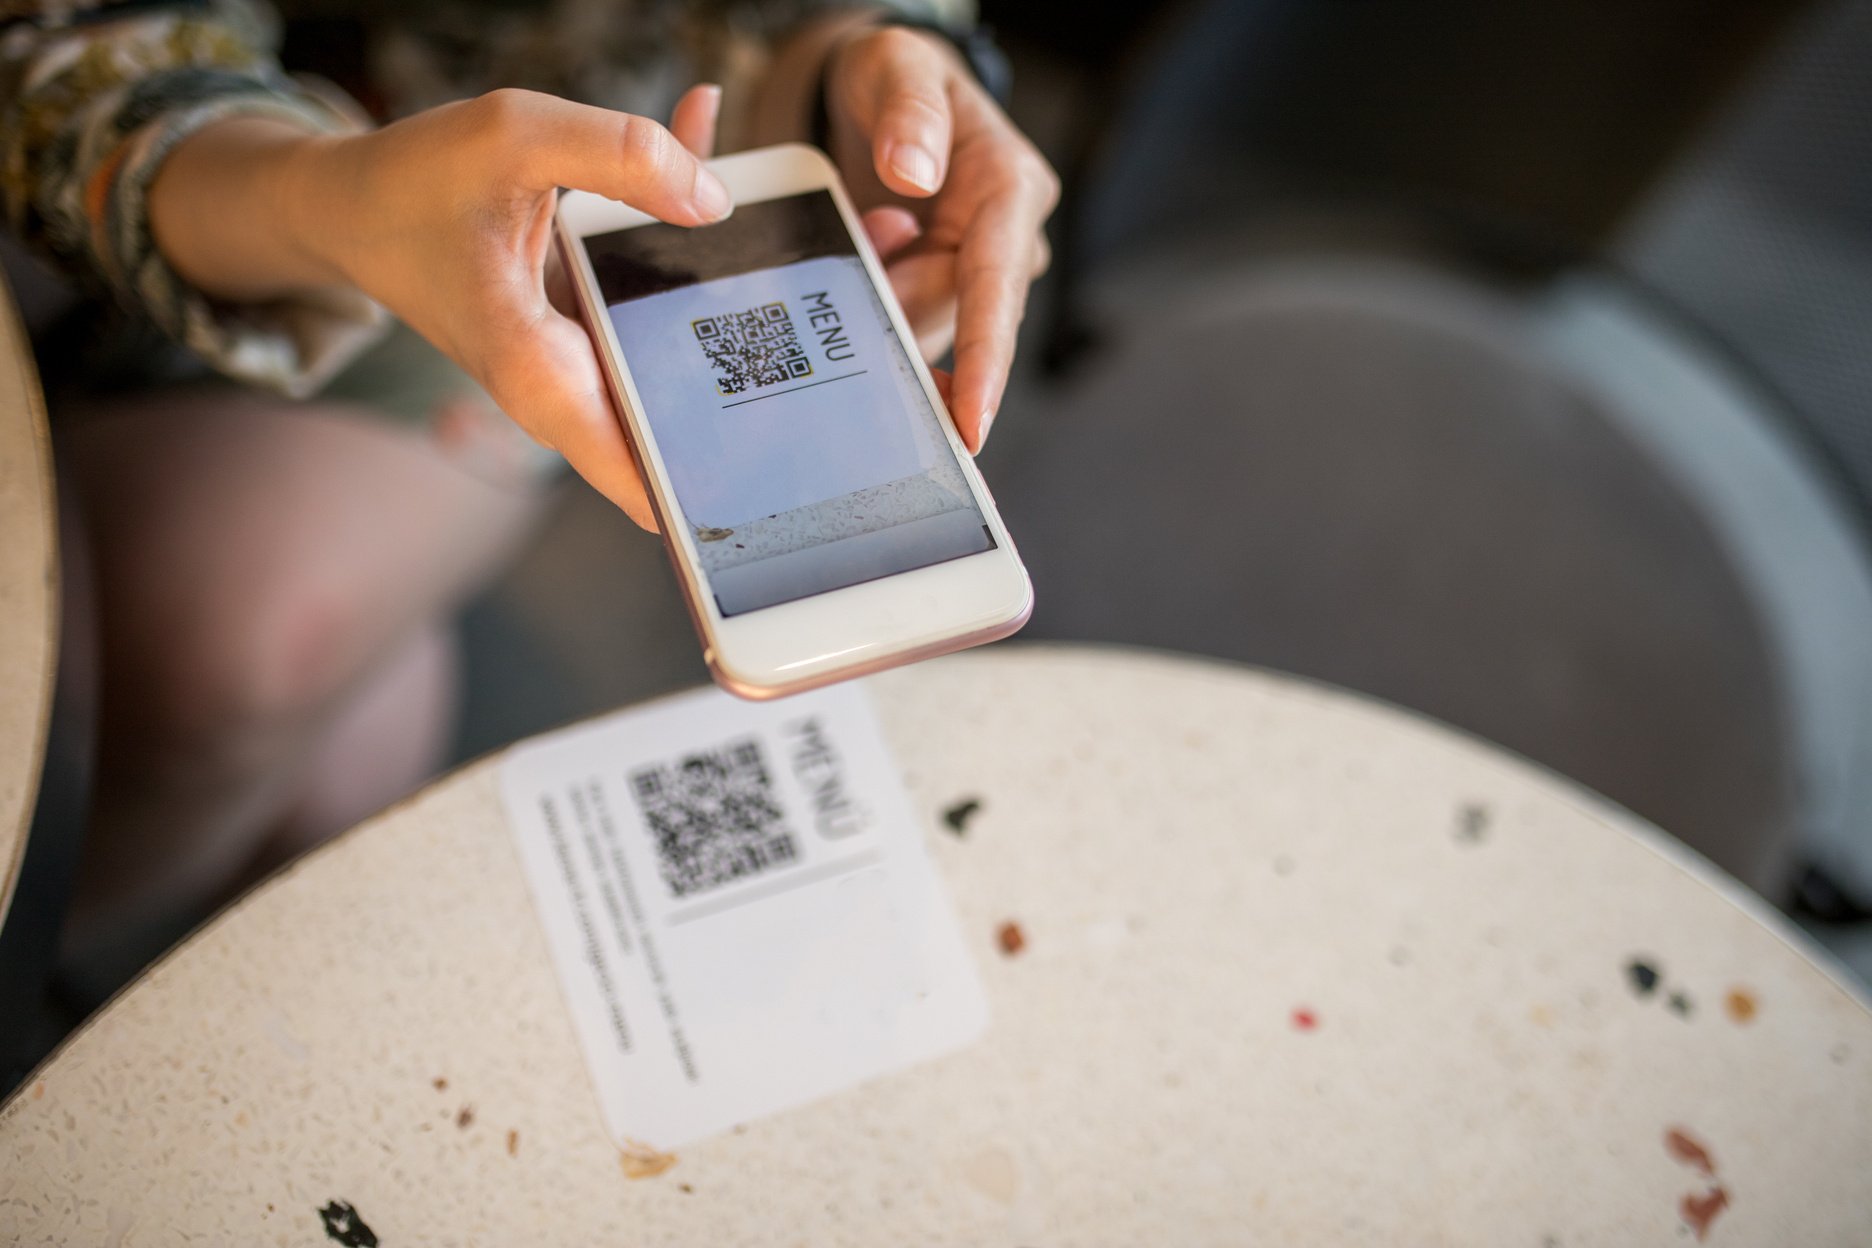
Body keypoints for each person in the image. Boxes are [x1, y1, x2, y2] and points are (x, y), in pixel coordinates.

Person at [0, 0, 1057, 954]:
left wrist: (854, 67)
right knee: (301, 714)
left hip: (620, 247)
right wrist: (330, 197)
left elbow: (784, 37)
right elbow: (72, 62)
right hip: (263, 183)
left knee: (300, 714)